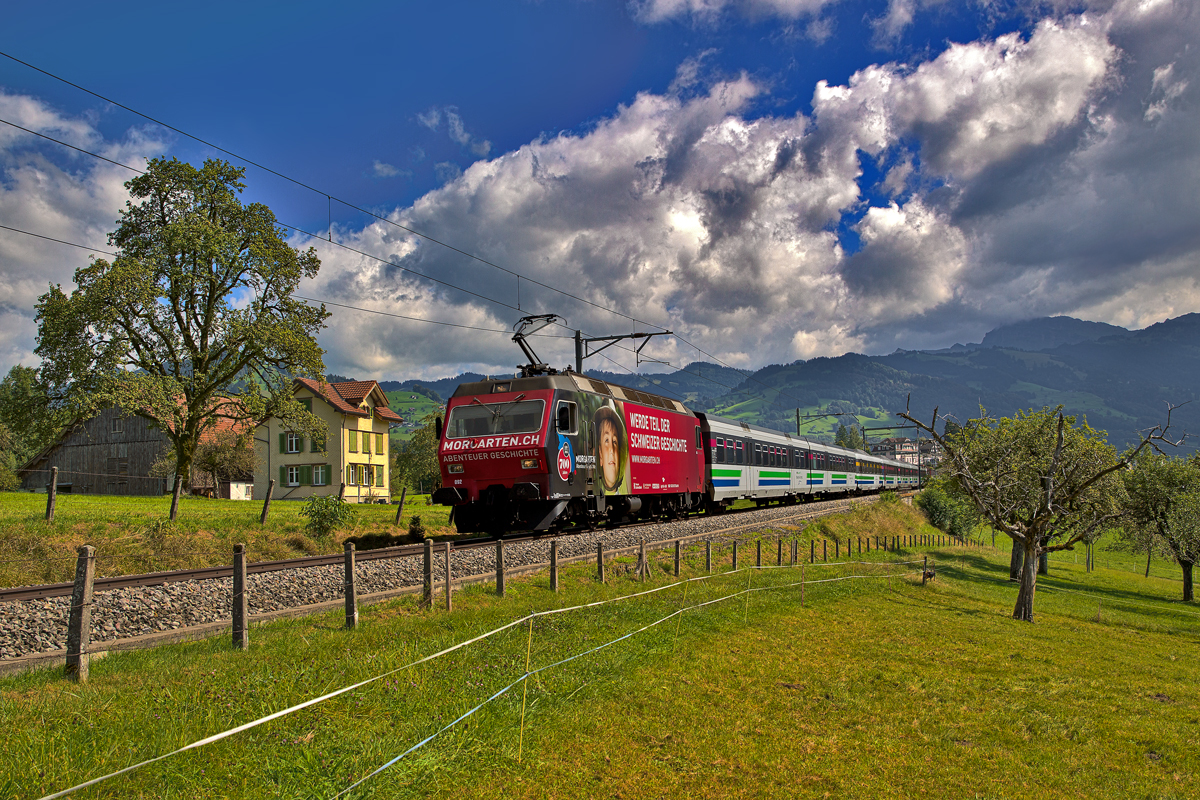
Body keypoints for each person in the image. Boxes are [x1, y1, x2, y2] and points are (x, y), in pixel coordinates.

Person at [594, 405, 626, 493]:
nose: (612, 449)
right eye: (607, 440)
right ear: (600, 455)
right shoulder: (597, 490)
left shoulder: (627, 483)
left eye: (615, 441)